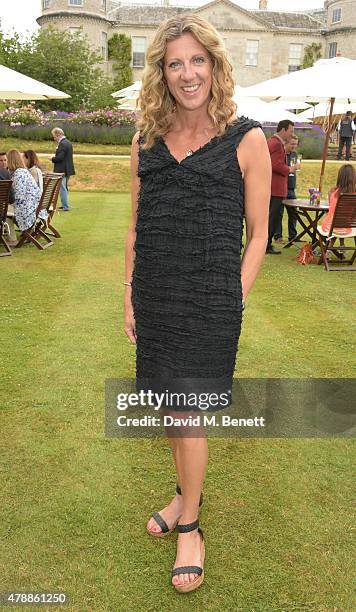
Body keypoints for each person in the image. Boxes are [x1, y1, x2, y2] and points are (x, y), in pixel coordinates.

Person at [124, 14, 271, 593]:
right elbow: (137, 228)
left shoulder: (247, 138)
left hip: (211, 302)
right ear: (162, 72)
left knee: (188, 412)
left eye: (197, 61)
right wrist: (130, 296)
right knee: (168, 407)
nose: (188, 74)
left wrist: (234, 295)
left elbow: (258, 233)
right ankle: (185, 490)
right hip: (156, 296)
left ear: (215, 64)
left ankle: (192, 524)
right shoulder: (146, 141)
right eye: (175, 63)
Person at [266, 120, 300, 254]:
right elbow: (276, 165)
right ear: (283, 130)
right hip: (275, 187)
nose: (292, 133)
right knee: (272, 217)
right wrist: (290, 169)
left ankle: (266, 243)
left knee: (272, 216)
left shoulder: (273, 142)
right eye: (291, 131)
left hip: (274, 187)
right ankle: (267, 244)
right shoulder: (276, 143)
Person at [7, 149, 41, 233]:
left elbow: (19, 196)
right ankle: (27, 233)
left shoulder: (18, 174)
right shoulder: (24, 171)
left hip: (27, 210)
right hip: (36, 207)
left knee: (3, 210)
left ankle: (12, 238)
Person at [274, 135, 299, 243]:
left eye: (296, 144)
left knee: (293, 213)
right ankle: (278, 236)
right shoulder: (281, 154)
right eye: (292, 144)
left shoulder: (294, 154)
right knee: (279, 213)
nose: (294, 146)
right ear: (286, 143)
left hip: (291, 187)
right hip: (281, 187)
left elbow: (294, 169)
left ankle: (293, 236)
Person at [318, 164, 356, 236]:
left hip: (329, 228)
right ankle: (341, 244)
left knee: (333, 219)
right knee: (344, 221)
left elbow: (331, 209)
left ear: (340, 177)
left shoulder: (332, 192)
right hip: (348, 228)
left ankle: (330, 246)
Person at [50, 128, 75, 211]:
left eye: (54, 137)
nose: (54, 139)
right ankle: (64, 204)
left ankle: (65, 206)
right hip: (67, 169)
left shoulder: (63, 144)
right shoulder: (67, 142)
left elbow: (60, 158)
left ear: (58, 134)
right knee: (65, 187)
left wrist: (52, 158)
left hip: (62, 170)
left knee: (62, 188)